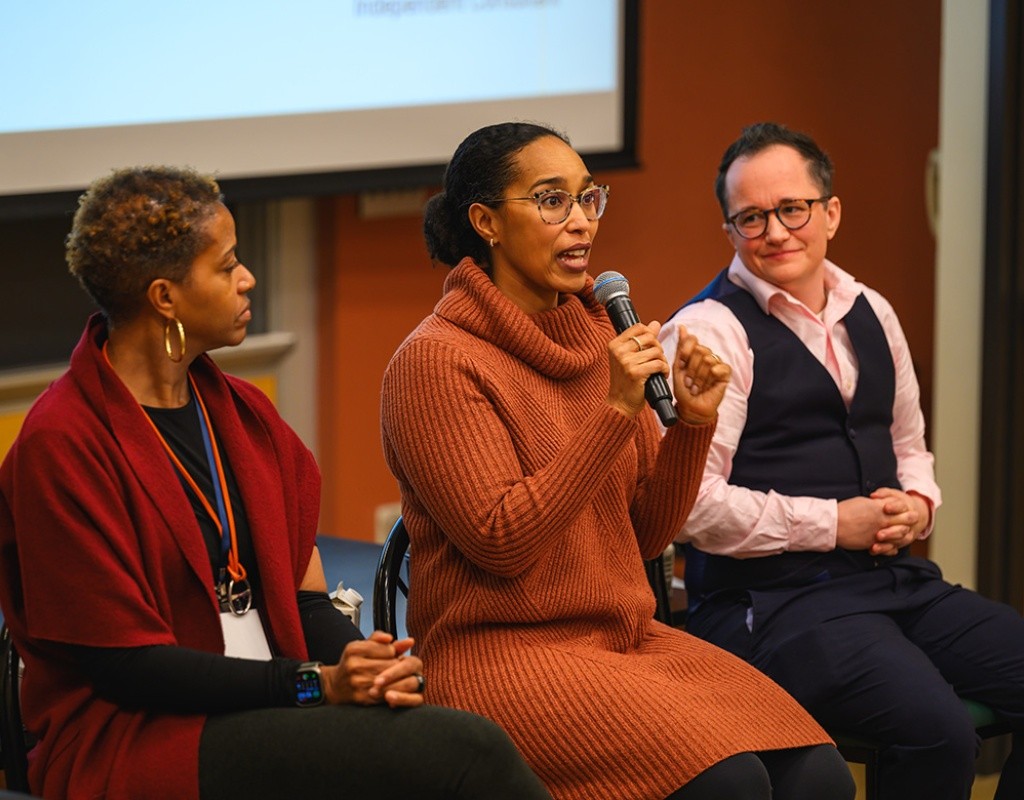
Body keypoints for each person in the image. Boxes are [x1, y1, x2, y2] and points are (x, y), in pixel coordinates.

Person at [0, 166, 553, 800]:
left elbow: (307, 599)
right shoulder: (62, 445)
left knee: (444, 727)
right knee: (465, 755)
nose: (248, 278)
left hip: (266, 697)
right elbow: (126, 669)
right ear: (164, 297)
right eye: (227, 264)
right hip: (137, 735)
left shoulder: (241, 413)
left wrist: (358, 664)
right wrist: (313, 684)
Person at [379, 121, 855, 800]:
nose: (581, 223)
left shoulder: (599, 329)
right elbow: (502, 543)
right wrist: (613, 413)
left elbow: (644, 537)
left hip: (624, 638)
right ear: (484, 220)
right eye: (551, 201)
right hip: (502, 657)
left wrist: (691, 419)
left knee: (820, 776)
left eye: (588, 199)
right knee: (730, 785)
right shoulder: (434, 362)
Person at [659, 121, 1024, 800]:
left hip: (891, 583)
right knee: (940, 732)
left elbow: (910, 445)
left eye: (792, 208)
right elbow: (689, 506)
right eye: (751, 217)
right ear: (730, 230)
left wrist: (917, 503)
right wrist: (834, 524)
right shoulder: (709, 331)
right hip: (767, 605)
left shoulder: (872, 310)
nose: (775, 231)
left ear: (830, 212)